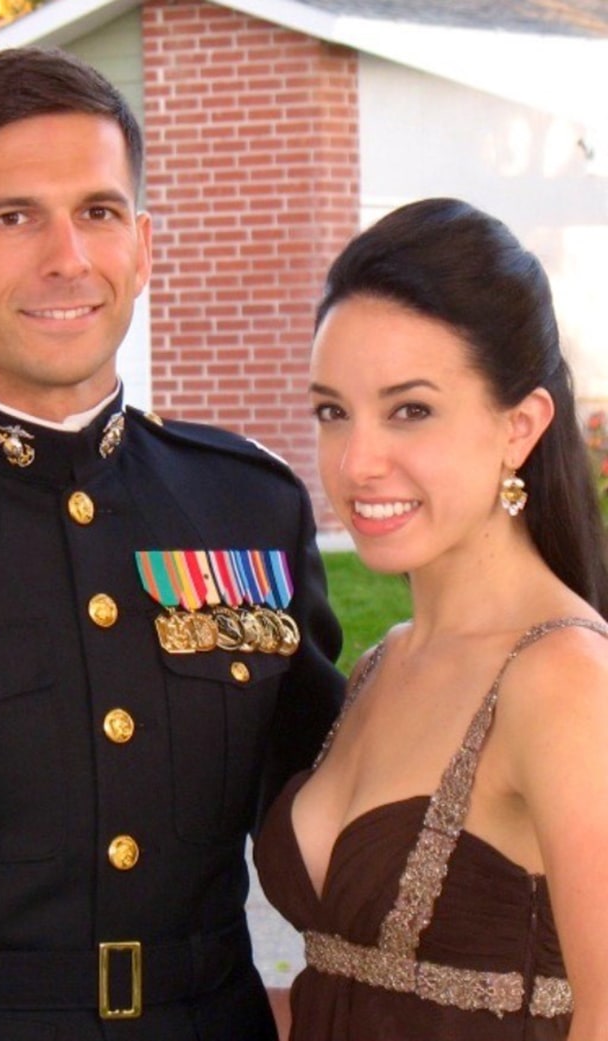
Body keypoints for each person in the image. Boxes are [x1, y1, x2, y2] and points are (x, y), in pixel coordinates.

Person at [0, 46, 345, 1041]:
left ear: (144, 245)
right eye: (12, 216)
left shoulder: (245, 509)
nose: (67, 257)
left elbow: (338, 814)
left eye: (99, 211)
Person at [254, 197, 608, 1040]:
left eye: (410, 409)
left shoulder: (563, 681)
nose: (356, 460)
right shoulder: (383, 662)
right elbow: (352, 993)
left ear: (519, 427)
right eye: (332, 410)